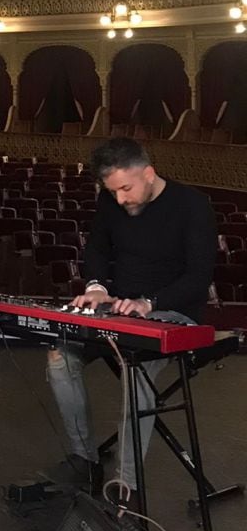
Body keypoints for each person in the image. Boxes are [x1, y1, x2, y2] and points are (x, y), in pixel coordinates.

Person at [51, 137, 216, 501]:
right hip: (119, 307)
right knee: (61, 358)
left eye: (126, 188)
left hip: (174, 313)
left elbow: (199, 277)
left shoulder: (192, 206)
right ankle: (84, 459)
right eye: (113, 192)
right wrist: (96, 287)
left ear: (149, 173)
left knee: (135, 369)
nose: (121, 199)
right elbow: (97, 247)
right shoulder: (112, 201)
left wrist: (149, 303)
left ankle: (126, 484)